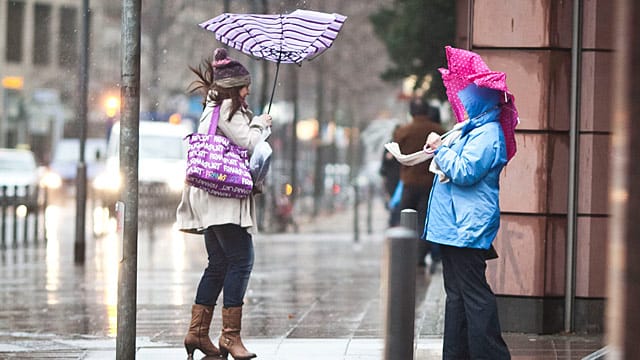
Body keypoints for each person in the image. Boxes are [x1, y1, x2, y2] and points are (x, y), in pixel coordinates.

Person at [177, 48, 272, 359]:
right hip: (223, 198)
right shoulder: (229, 107)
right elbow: (250, 142)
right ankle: (229, 337)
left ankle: (197, 333)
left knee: (218, 264)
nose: (247, 91)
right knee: (242, 259)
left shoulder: (213, 106)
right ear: (233, 86)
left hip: (210, 195)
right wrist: (261, 124)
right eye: (244, 86)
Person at [423, 83, 511, 359]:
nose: (463, 102)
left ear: (482, 101)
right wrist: (441, 146)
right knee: (457, 295)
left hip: (466, 226)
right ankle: (455, 354)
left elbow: (465, 171)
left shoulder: (489, 134)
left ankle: (491, 355)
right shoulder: (471, 129)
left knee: (473, 295)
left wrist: (441, 150)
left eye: (469, 99)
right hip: (453, 226)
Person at [393, 98, 444, 268]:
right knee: (424, 220)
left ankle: (405, 255)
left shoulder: (403, 131)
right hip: (430, 183)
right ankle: (420, 257)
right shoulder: (438, 130)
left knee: (405, 219)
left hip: (409, 181)